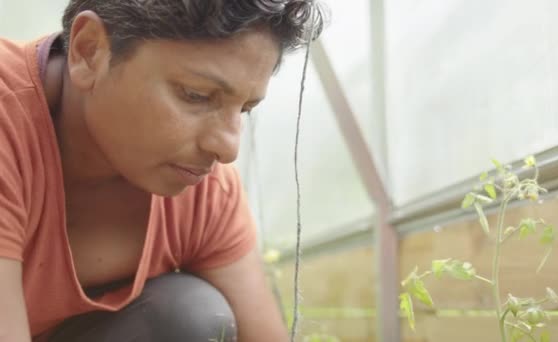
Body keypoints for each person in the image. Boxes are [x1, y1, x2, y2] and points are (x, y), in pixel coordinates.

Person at [0, 1, 323, 341]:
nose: (228, 149)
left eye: (244, 109)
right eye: (196, 95)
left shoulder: (203, 189)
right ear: (89, 51)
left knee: (186, 314)